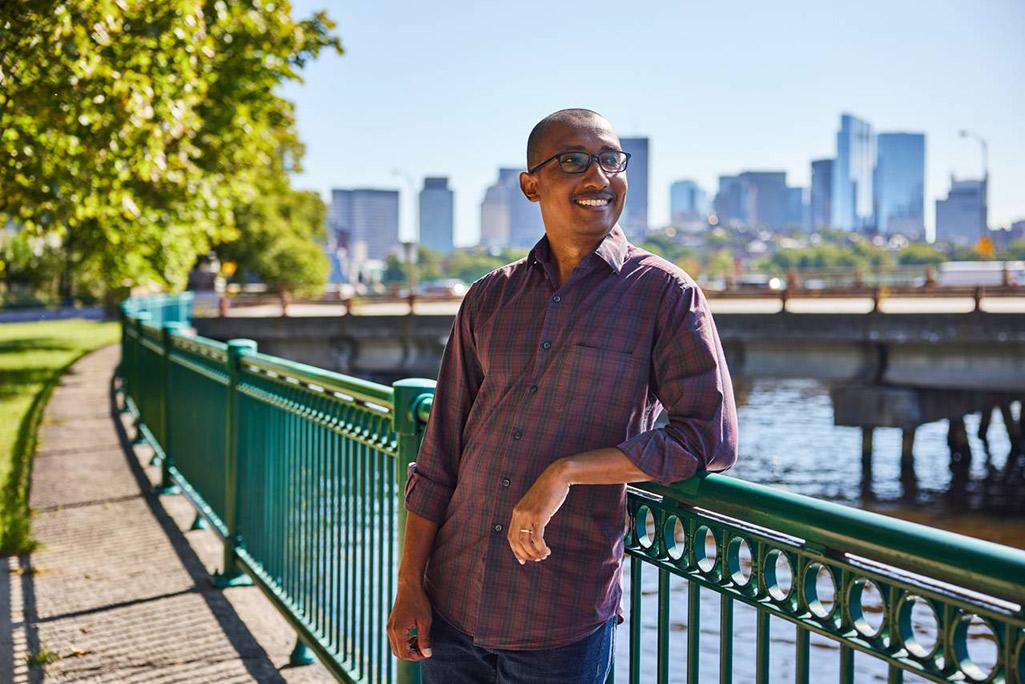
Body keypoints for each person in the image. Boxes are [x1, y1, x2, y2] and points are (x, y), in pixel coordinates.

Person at [386, 108, 738, 683]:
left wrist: (568, 471)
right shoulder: (488, 298)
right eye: (573, 161)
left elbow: (706, 438)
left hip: (558, 615)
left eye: (610, 161)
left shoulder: (665, 295)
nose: (598, 178)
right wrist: (409, 587)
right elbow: (438, 458)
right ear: (531, 185)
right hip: (451, 603)